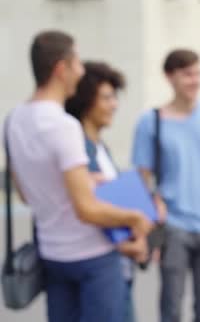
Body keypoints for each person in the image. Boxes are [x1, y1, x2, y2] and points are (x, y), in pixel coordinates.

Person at [5, 31, 153, 322]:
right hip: (93, 259)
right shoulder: (64, 126)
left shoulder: (12, 121)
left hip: (53, 258)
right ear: (61, 69)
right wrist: (136, 218)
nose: (81, 71)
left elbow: (26, 193)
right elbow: (86, 210)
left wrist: (83, 183)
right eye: (77, 64)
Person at [131, 49, 200, 322]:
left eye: (197, 73)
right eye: (187, 74)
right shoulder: (151, 122)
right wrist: (147, 227)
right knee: (171, 308)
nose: (195, 80)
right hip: (172, 229)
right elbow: (141, 180)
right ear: (170, 77)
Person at [65, 61, 155, 322]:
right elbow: (85, 213)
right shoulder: (79, 150)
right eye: (107, 97)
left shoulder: (99, 147)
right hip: (101, 271)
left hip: (120, 271)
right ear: (85, 100)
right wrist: (130, 246)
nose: (114, 104)